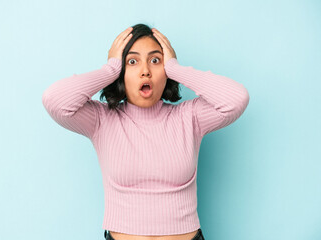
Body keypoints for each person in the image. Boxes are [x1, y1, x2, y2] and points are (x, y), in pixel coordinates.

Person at [42, 23, 250, 240]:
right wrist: (110, 69)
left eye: (155, 60)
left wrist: (176, 69)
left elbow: (236, 99)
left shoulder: (190, 117)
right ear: (122, 72)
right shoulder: (101, 120)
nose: (145, 71)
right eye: (132, 62)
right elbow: (55, 100)